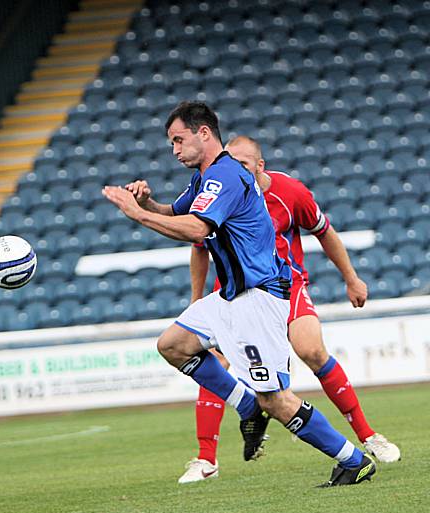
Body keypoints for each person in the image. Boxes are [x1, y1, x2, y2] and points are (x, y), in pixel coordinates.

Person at [102, 101, 376, 487]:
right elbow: (174, 211)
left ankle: (352, 460)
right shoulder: (205, 178)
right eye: (171, 144)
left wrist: (137, 214)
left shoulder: (226, 175)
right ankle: (245, 404)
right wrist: (147, 202)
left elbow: (197, 230)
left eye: (178, 140)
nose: (174, 150)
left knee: (276, 401)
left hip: (257, 298)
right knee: (173, 345)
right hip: (230, 296)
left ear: (203, 133)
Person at [177, 135, 400, 484]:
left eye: (245, 164)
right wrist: (196, 299)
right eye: (231, 163)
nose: (237, 170)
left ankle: (367, 435)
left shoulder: (289, 191)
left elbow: (324, 231)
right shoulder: (217, 188)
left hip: (284, 286)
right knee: (212, 361)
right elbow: (199, 246)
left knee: (311, 350)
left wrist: (351, 278)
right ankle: (206, 458)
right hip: (233, 292)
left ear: (260, 165)